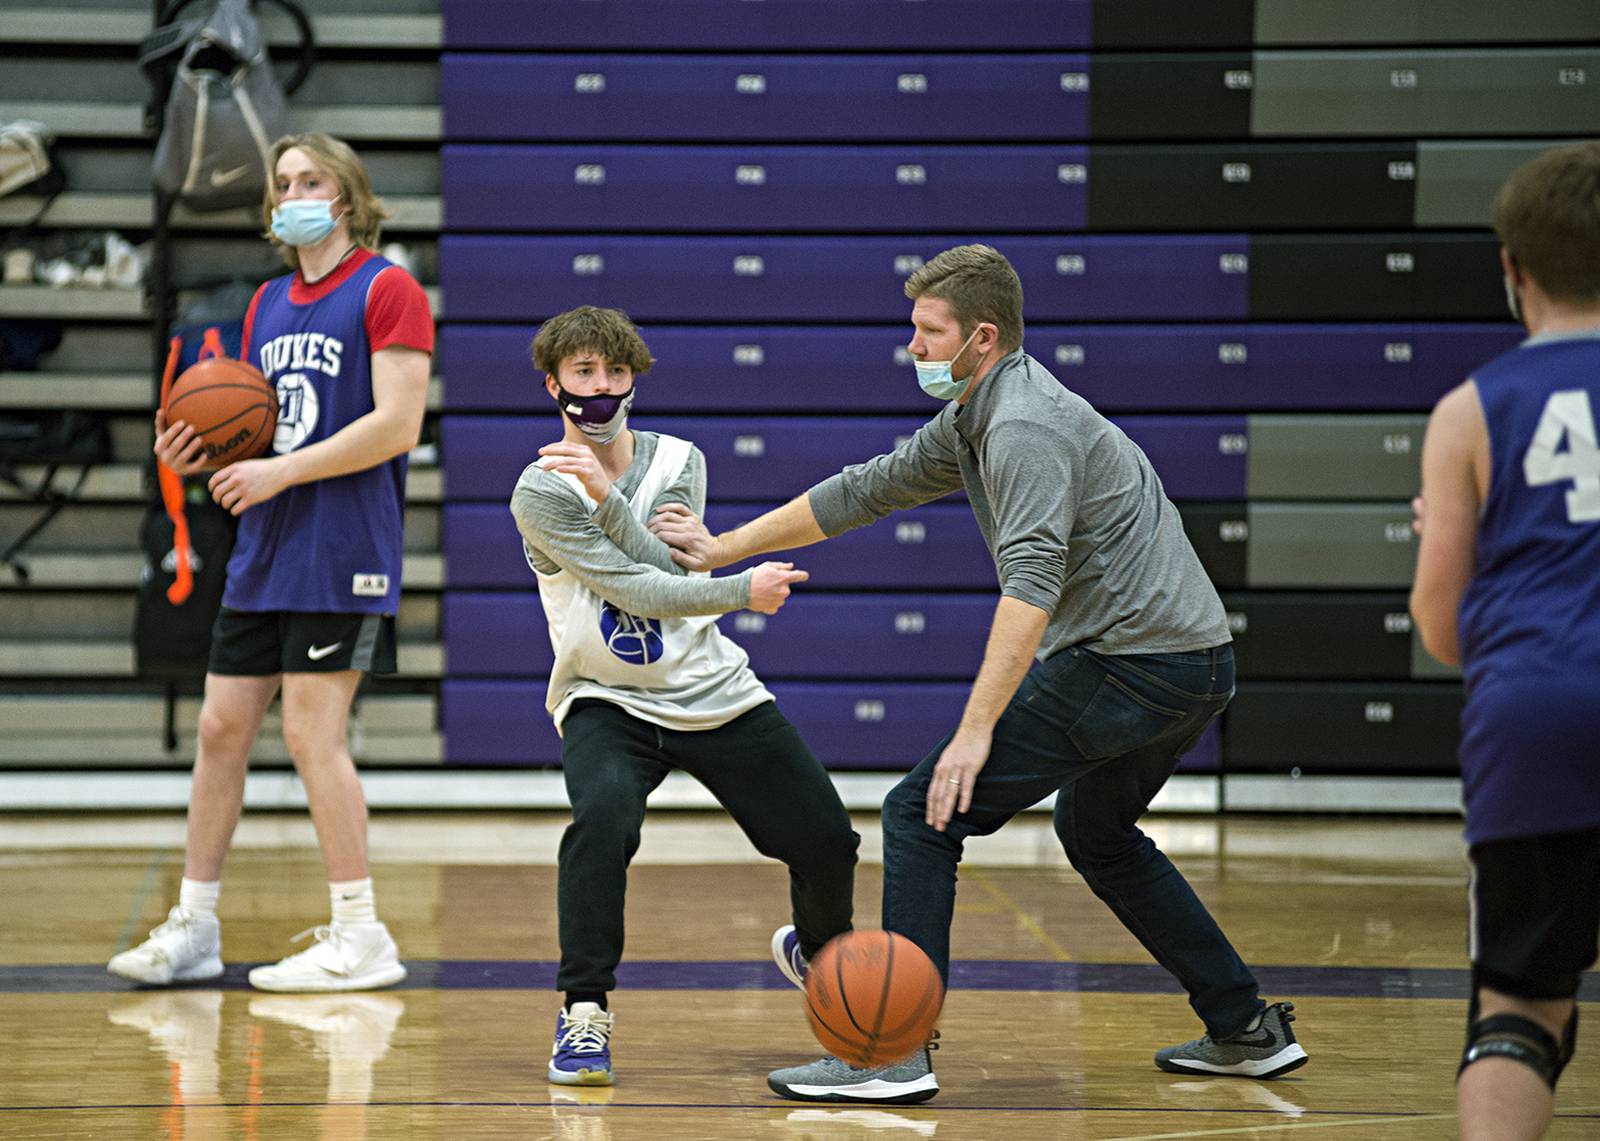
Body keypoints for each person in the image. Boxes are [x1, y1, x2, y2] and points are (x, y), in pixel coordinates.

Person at [650, 244, 1308, 1103]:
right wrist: (723, 548)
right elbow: (867, 488)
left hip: (1134, 663)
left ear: (982, 337)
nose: (913, 348)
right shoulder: (978, 411)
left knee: (921, 815)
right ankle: (1245, 1025)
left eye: (928, 332)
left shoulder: (1024, 427)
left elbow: (1029, 589)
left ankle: (893, 1053)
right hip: (1194, 661)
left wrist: (973, 733)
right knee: (1098, 833)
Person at [108, 133, 433, 992]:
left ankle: (362, 932)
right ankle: (196, 924)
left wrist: (281, 469)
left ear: (348, 196)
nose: (292, 192)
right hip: (266, 546)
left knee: (309, 734)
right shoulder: (265, 304)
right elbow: (255, 429)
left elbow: (399, 425)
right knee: (219, 729)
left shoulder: (388, 288)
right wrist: (195, 456)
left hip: (344, 547)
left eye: (310, 179)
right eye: (282, 181)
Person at [510, 305, 859, 1087]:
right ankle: (584, 1011)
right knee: (602, 821)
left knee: (828, 840)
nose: (601, 388)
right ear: (553, 386)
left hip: (709, 688)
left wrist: (613, 499)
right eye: (583, 374)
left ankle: (825, 966)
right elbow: (640, 585)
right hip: (606, 695)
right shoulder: (538, 490)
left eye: (614, 372)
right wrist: (743, 586)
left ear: (633, 378)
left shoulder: (680, 460)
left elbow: (677, 575)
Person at [1409, 142, 1600, 1141]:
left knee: (1520, 1007)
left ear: (1512, 268)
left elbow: (1442, 630)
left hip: (1534, 712)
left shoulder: (1469, 410)